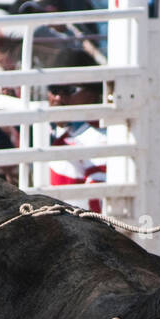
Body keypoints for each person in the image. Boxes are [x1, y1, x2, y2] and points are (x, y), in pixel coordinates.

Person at [46, 47, 108, 212]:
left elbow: (98, 213)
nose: (58, 97)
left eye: (68, 90)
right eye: (53, 89)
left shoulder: (99, 141)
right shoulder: (60, 129)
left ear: (92, 93)